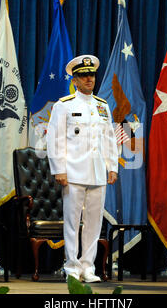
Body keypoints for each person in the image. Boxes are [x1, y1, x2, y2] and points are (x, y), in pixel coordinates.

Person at [46, 55, 118, 283]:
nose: (89, 79)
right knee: (72, 221)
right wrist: (59, 169)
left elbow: (109, 138)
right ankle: (71, 267)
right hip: (73, 172)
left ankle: (88, 267)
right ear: (75, 80)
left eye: (92, 75)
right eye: (83, 75)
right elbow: (55, 139)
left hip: (97, 172)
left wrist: (112, 166)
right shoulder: (64, 105)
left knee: (94, 222)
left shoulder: (102, 105)